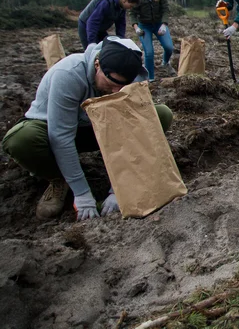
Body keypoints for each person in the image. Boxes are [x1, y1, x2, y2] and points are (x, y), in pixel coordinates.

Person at [1, 37, 173, 220]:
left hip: (99, 129)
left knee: (160, 115)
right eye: (111, 83)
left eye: (122, 86)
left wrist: (120, 188)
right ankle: (59, 178)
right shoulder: (68, 74)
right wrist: (82, 193)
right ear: (97, 64)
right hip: (56, 129)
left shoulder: (133, 75)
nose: (116, 91)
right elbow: (61, 136)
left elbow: (132, 126)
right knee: (21, 140)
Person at [130, 0, 176, 80]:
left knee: (169, 47)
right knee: (149, 52)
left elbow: (165, 9)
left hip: (159, 24)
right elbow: (132, 13)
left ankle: (165, 62)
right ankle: (150, 77)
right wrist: (136, 27)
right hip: (144, 26)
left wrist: (164, 24)